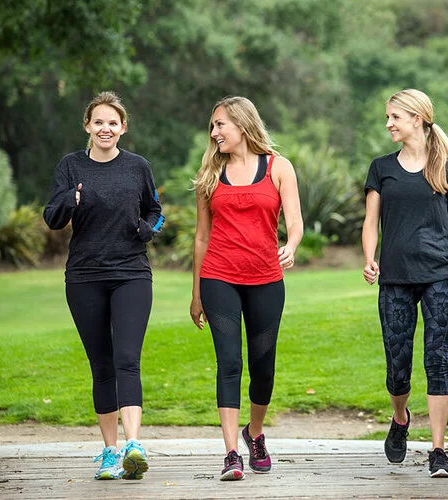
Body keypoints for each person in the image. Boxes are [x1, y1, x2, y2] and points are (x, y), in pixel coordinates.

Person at [43, 91, 164, 481]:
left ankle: (133, 445)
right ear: (87, 126)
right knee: (102, 365)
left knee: (127, 358)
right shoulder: (70, 166)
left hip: (131, 273)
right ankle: (110, 452)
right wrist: (71, 200)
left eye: (113, 122)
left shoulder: (138, 167)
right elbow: (52, 217)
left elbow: (155, 211)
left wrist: (146, 230)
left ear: (123, 127)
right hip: (84, 276)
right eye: (98, 122)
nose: (105, 128)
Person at [361, 89, 448, 478]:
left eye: (394, 116)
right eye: (388, 117)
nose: (388, 123)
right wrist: (369, 258)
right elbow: (370, 222)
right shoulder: (381, 168)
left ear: (417, 119)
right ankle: (401, 417)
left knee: (436, 360)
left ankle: (438, 451)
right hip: (394, 279)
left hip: (439, 277)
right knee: (398, 368)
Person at [190, 96, 303, 481]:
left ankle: (254, 434)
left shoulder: (278, 167)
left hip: (266, 279)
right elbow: (201, 238)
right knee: (229, 362)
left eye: (220, 124)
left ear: (242, 125)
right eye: (213, 126)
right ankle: (231, 454)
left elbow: (296, 220)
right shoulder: (209, 172)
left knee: (263, 366)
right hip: (219, 276)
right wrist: (196, 294)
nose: (214, 132)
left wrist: (290, 245)